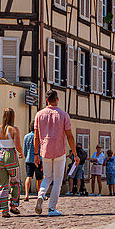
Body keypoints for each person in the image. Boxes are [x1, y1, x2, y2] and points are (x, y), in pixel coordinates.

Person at [33, 89, 75, 217]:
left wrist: (36, 154)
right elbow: (69, 136)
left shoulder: (39, 115)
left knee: (47, 177)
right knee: (57, 180)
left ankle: (41, 195)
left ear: (47, 100)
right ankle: (52, 208)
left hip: (45, 151)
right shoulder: (63, 115)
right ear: (57, 99)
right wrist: (75, 153)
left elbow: (36, 137)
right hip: (59, 151)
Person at [0, 109, 23, 217]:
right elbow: (18, 145)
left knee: (1, 184)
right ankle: (13, 204)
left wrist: (2, 145)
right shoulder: (14, 129)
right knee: (15, 181)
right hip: (10, 156)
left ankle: (3, 210)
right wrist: (21, 152)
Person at [22, 126, 42, 201]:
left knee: (28, 177)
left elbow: (25, 149)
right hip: (38, 160)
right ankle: (39, 194)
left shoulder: (26, 136)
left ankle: (26, 194)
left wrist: (26, 156)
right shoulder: (39, 136)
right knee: (39, 178)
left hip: (29, 159)